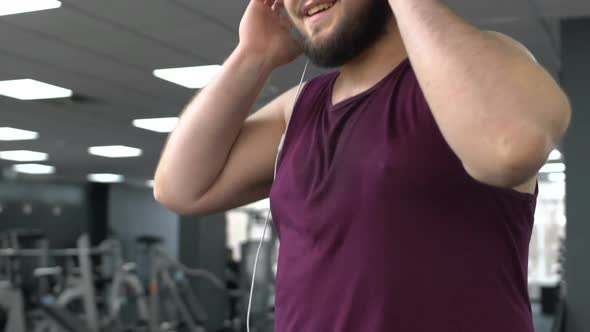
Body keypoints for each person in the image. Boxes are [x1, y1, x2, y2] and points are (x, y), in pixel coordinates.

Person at [154, 0, 571, 330]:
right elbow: (181, 188)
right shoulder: (300, 109)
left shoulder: (479, 68)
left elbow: (511, 145)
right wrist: (252, 55)